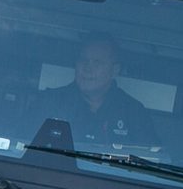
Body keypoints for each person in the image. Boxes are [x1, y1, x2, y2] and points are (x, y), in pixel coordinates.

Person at [29, 35, 159, 148]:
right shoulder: (49, 102)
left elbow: (150, 163)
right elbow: (20, 148)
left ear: (115, 70)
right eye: (83, 60)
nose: (87, 68)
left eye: (97, 63)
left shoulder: (134, 112)